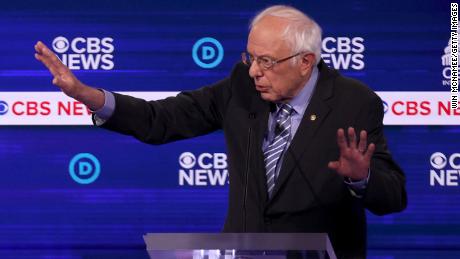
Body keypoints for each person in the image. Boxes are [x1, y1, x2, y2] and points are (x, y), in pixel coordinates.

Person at [34, 5, 407, 258]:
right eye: (250, 57)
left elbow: (394, 196)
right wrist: (88, 95)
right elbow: (159, 119)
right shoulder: (240, 89)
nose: (253, 71)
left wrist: (363, 178)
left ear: (306, 62)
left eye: (266, 61)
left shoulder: (354, 103)